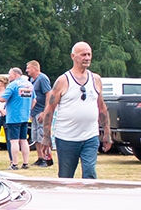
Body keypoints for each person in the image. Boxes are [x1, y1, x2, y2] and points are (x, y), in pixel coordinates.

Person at [42, 41, 112, 179]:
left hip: (90, 136)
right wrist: (46, 137)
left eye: (89, 54)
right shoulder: (63, 80)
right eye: (83, 55)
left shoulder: (96, 79)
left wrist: (107, 132)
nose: (87, 58)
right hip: (66, 138)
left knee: (90, 173)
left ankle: (89, 199)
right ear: (73, 56)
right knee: (66, 177)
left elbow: (102, 107)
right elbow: (49, 110)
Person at [0, 67, 34, 168]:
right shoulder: (29, 85)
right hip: (25, 116)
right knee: (24, 140)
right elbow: (34, 100)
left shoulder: (13, 85)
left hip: (14, 116)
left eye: (10, 74)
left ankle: (14, 163)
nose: (9, 76)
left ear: (15, 74)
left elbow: (2, 99)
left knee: (14, 141)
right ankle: (25, 163)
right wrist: (28, 110)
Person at [27, 60, 53, 167]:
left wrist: (45, 112)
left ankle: (47, 159)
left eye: (28, 68)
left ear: (35, 68)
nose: (26, 70)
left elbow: (49, 94)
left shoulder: (42, 78)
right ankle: (40, 158)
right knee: (35, 136)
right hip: (34, 112)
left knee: (42, 135)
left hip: (41, 111)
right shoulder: (31, 80)